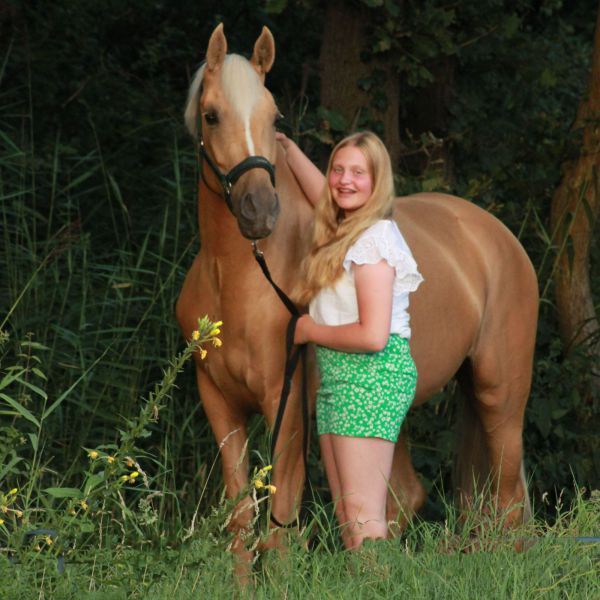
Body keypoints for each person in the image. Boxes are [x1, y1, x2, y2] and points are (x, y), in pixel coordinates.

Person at [277, 130, 424, 550]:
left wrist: (307, 331)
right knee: (348, 516)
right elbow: (323, 192)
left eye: (358, 172)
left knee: (363, 520)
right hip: (341, 375)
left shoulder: (374, 240)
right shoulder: (346, 227)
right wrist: (286, 148)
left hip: (371, 375)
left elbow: (373, 336)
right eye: (338, 169)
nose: (344, 180)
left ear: (378, 182)